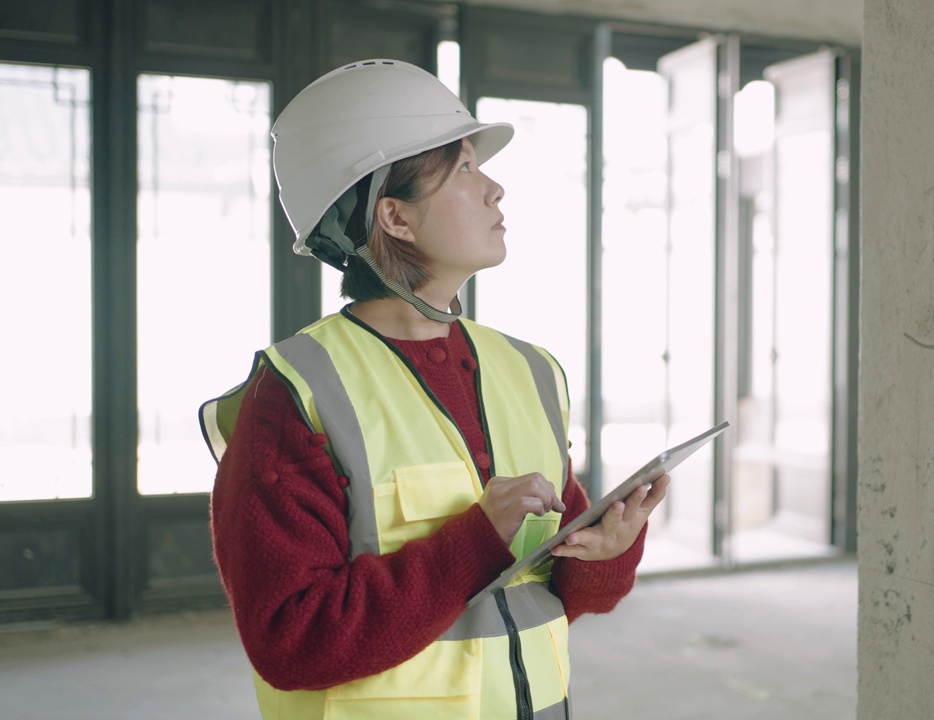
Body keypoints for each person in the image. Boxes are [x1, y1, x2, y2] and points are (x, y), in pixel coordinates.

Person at [200, 58, 669, 720]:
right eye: (466, 169)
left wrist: (608, 554)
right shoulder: (296, 395)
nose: (495, 189)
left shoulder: (527, 371)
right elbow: (289, 640)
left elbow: (556, 589)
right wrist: (474, 540)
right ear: (394, 216)